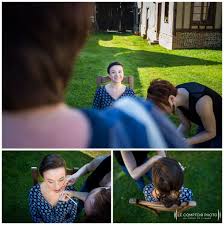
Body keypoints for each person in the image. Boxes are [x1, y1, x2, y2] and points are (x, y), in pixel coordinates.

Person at [3, 3, 188, 148]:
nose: (117, 75)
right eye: (113, 72)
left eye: (120, 72)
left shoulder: (133, 101)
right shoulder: (134, 115)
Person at [147, 79, 222, 148]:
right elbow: (185, 124)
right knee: (198, 146)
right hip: (207, 124)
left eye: (160, 108)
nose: (160, 113)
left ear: (171, 99)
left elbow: (211, 132)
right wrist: (174, 139)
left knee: (214, 146)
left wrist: (186, 141)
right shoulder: (176, 98)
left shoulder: (202, 103)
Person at [60, 155, 111, 222]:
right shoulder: (103, 162)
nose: (84, 200)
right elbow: (87, 167)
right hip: (90, 185)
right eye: (88, 196)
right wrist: (75, 176)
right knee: (79, 205)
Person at [28, 154, 78, 223]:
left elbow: (71, 217)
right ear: (43, 177)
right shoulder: (34, 193)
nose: (57, 187)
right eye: (50, 181)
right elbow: (35, 216)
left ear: (66, 175)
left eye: (61, 179)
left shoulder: (72, 193)